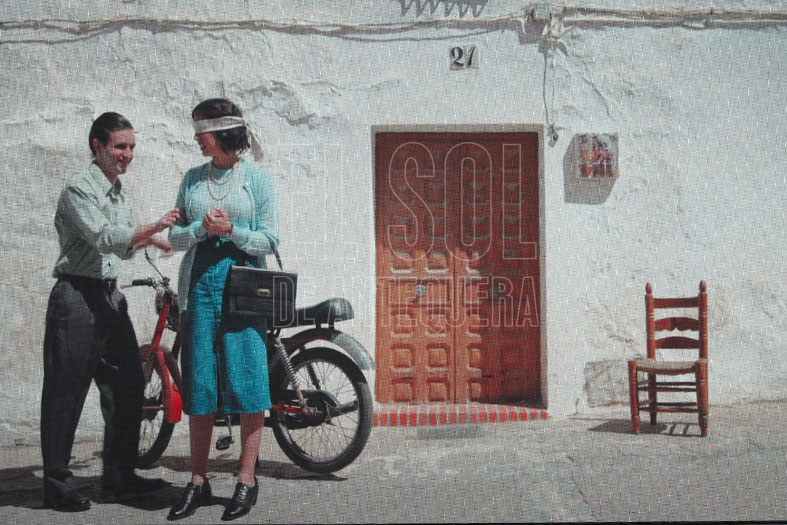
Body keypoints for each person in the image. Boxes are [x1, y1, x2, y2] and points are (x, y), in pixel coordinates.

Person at [41, 112, 181, 512]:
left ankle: (120, 475)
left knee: (128, 385)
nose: (128, 154)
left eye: (132, 147)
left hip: (108, 297)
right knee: (66, 392)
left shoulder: (118, 192)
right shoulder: (79, 189)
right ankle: (57, 485)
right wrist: (153, 228)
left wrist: (151, 241)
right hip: (77, 296)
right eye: (120, 146)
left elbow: (122, 245)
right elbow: (104, 237)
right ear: (97, 146)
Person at [167, 98, 278, 521]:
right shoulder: (193, 179)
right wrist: (200, 228)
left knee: (248, 380)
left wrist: (232, 230)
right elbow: (176, 238)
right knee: (200, 384)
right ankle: (198, 481)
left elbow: (270, 239)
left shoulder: (257, 180)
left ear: (223, 132)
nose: (197, 138)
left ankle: (246, 479)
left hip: (245, 288)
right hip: (200, 288)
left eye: (203, 131)